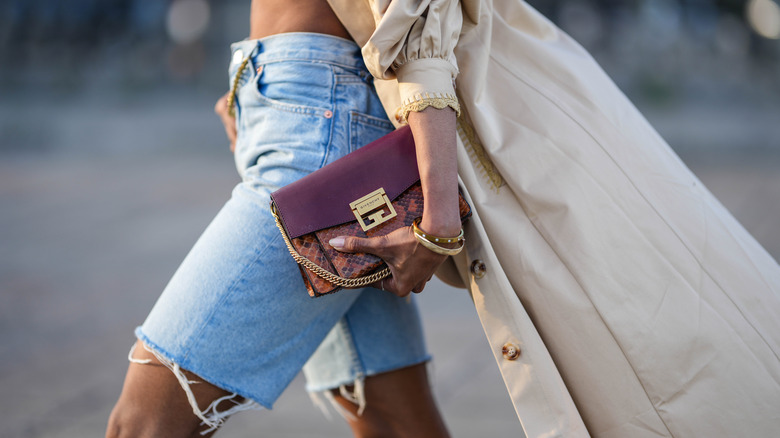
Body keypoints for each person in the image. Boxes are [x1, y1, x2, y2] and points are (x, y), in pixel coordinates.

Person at [106, 1, 460, 437]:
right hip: (294, 104)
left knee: (144, 423)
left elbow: (425, 19)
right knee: (394, 419)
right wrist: (249, 89)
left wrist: (441, 217)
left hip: (325, 136)